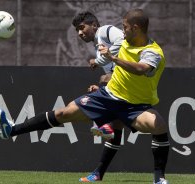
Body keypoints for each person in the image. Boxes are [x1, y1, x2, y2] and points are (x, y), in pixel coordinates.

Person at [0, 9, 169, 184]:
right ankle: (12, 130)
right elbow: (117, 72)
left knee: (159, 126)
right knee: (63, 114)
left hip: (136, 105)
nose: (122, 30)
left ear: (135, 28)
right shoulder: (124, 41)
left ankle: (159, 178)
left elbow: (140, 69)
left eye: (124, 27)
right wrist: (103, 80)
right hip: (108, 96)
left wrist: (109, 58)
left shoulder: (152, 51)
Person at [71, 11, 125, 182]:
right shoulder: (98, 45)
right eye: (77, 31)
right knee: (117, 128)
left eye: (82, 28)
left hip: (132, 83)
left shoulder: (106, 31)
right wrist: (103, 85)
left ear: (94, 25)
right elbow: (112, 72)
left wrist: (100, 60)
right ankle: (98, 173)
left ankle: (103, 123)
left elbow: (123, 40)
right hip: (121, 86)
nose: (80, 33)